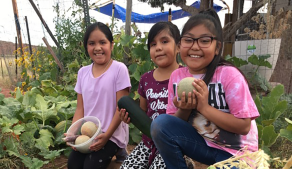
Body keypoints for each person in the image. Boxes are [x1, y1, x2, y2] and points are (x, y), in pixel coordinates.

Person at [150, 9, 260, 169]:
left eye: (204, 40)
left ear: (217, 47)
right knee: (160, 124)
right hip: (204, 147)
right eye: (188, 40)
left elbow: (244, 126)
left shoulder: (229, 75)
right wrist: (184, 110)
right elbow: (172, 127)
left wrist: (203, 107)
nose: (195, 46)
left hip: (238, 154)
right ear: (180, 46)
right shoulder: (177, 77)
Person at [119, 22, 194, 169]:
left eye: (164, 41)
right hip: (148, 142)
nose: (158, 47)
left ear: (178, 46)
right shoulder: (145, 79)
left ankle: (186, 161)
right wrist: (130, 118)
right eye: (153, 44)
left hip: (175, 143)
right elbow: (143, 113)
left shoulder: (186, 77)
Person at [66, 22, 131, 169]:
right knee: (73, 165)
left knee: (91, 166)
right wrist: (73, 134)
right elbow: (80, 109)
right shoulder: (83, 72)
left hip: (111, 134)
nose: (97, 48)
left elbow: (120, 109)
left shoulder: (119, 69)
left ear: (111, 45)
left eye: (103, 42)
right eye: (91, 43)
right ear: (86, 47)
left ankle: (120, 150)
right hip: (88, 133)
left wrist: (106, 136)